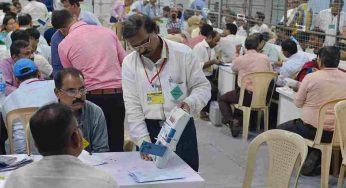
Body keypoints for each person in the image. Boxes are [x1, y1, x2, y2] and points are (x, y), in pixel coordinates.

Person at [122, 15, 211, 171]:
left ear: (156, 31)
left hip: (181, 129)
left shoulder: (183, 54)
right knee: (152, 178)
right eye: (135, 46)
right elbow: (132, 106)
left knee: (186, 177)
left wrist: (190, 103)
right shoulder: (130, 63)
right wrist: (143, 141)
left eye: (145, 42)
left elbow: (202, 87)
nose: (141, 49)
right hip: (150, 130)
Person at [52, 10, 126, 152]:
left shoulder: (64, 44)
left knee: (90, 148)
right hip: (117, 94)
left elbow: (71, 77)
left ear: (61, 30)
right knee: (116, 144)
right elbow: (125, 61)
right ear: (74, 17)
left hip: (88, 97)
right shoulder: (107, 32)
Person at [4, 103, 119, 188]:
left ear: (36, 144)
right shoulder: (103, 182)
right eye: (78, 128)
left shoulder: (16, 180)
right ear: (76, 138)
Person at [278, 46, 346, 175]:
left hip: (313, 130)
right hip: (340, 132)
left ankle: (288, 163)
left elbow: (298, 103)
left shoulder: (311, 77)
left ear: (319, 60)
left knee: (281, 129)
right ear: (338, 61)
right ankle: (315, 153)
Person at [218, 35, 273, 137]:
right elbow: (271, 73)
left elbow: (233, 68)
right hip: (263, 97)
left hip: (246, 97)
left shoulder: (241, 59)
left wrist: (237, 54)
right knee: (238, 94)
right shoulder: (265, 58)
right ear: (258, 46)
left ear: (245, 46)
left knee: (222, 99)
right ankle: (240, 121)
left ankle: (231, 121)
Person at [2, 59, 57, 154]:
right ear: (39, 73)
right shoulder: (55, 87)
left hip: (20, 156)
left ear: (16, 79)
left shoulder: (8, 100)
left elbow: (8, 128)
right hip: (54, 151)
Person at [54, 68, 109, 153]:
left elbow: (101, 151)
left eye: (82, 89)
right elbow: (41, 156)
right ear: (57, 93)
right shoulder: (48, 117)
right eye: (72, 91)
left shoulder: (95, 112)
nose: (79, 95)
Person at [51, 0, 101, 76]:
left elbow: (101, 37)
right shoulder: (57, 38)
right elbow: (58, 67)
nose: (63, 9)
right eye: (62, 6)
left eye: (66, 6)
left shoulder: (90, 21)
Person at [192, 26, 220, 121]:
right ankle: (203, 111)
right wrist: (212, 62)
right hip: (199, 76)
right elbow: (197, 66)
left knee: (219, 88)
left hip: (209, 75)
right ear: (210, 38)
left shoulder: (211, 49)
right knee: (213, 89)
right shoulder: (199, 47)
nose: (217, 43)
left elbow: (213, 66)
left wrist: (218, 62)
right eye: (216, 41)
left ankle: (211, 111)